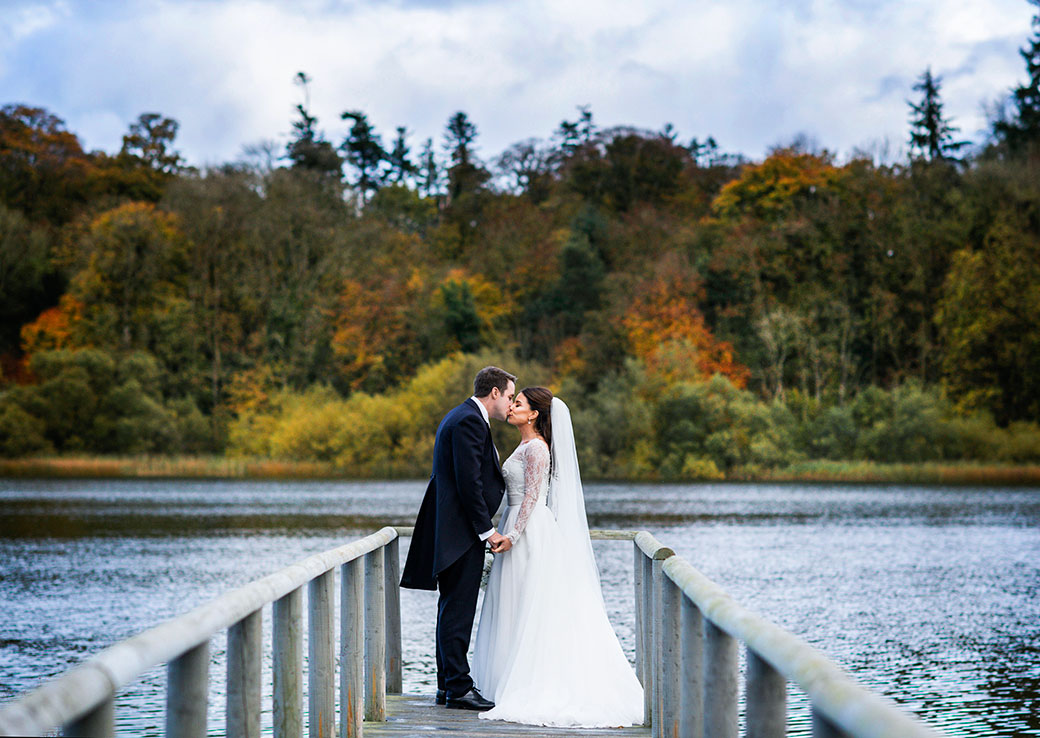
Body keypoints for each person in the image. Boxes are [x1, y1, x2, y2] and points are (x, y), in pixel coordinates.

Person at [472, 387, 644, 727]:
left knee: (530, 604)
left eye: (518, 403)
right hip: (513, 524)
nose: (511, 407)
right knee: (514, 604)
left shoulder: (537, 447)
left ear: (534, 414)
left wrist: (513, 536)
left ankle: (530, 682)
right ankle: (506, 679)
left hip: (529, 530)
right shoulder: (524, 444)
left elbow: (532, 497)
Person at [400, 366, 516, 711]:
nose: (510, 403)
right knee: (458, 612)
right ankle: (459, 688)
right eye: (509, 396)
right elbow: (469, 483)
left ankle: (447, 685)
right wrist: (487, 531)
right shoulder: (468, 421)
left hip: (454, 530)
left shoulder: (463, 416)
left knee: (451, 608)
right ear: (494, 392)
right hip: (460, 532)